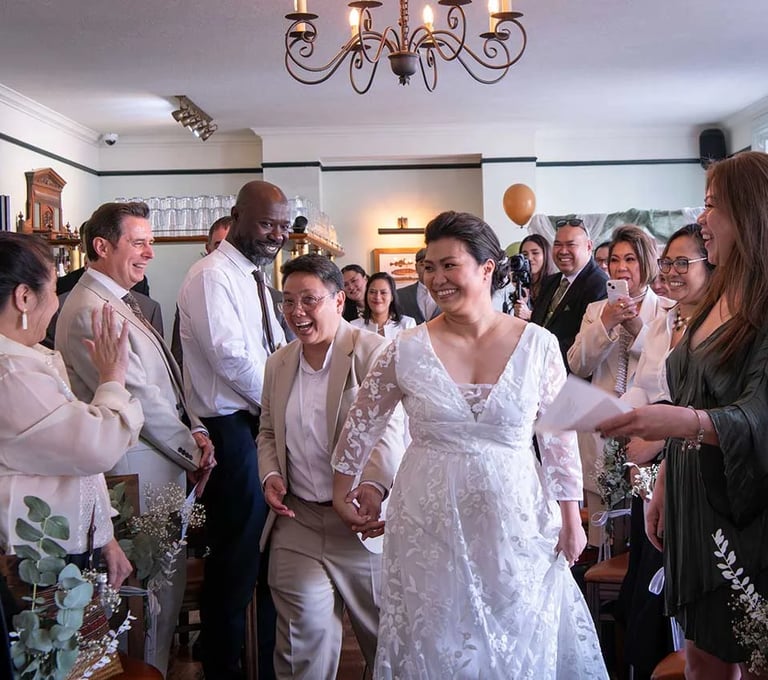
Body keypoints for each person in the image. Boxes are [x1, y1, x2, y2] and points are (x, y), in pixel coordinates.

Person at [332, 211, 607, 678]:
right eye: (429, 267)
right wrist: (343, 490)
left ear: (487, 268)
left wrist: (569, 517)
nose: (436, 279)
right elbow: (362, 423)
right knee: (436, 637)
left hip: (515, 515)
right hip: (427, 518)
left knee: (518, 633)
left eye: (449, 265)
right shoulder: (404, 348)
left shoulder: (538, 344)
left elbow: (559, 436)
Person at [598, 151, 768, 679]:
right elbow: (692, 388)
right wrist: (666, 481)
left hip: (745, 507)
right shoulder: (716, 290)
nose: (700, 217)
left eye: (712, 204)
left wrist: (679, 424)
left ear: (749, 211)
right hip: (692, 498)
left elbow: (759, 415)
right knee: (702, 659)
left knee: (756, 654)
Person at [56, 201, 215, 677]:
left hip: (159, 467)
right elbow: (139, 402)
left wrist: (198, 431)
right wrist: (195, 455)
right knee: (146, 604)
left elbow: (166, 381)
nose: (149, 254)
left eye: (151, 242)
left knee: (160, 600)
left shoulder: (119, 299)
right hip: (137, 476)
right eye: (139, 242)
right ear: (101, 246)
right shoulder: (90, 310)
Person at [257, 254, 404, 679]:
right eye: (287, 302)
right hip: (299, 522)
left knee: (387, 643)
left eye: (309, 300)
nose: (296, 312)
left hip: (362, 524)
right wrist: (270, 475)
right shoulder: (279, 363)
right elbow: (267, 431)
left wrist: (373, 486)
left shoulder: (372, 352)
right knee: (302, 646)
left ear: (339, 301)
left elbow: (390, 430)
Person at [177, 180, 289, 680]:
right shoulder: (210, 275)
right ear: (237, 216)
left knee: (263, 554)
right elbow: (232, 360)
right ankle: (221, 665)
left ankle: (259, 658)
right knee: (237, 557)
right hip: (230, 427)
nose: (276, 235)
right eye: (267, 224)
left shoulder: (256, 277)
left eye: (284, 227)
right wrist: (281, 401)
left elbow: (273, 348)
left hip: (256, 420)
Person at [0, 232, 142, 588]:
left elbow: (66, 454)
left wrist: (104, 534)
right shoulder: (10, 373)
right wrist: (113, 377)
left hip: (65, 541)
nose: (55, 303)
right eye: (51, 290)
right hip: (35, 557)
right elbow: (96, 446)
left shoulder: (24, 359)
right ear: (24, 297)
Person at [614, 224, 714, 680]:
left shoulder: (721, 325)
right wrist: (630, 438)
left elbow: (706, 407)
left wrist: (660, 437)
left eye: (683, 263)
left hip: (692, 464)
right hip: (648, 473)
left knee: (682, 590)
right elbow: (641, 387)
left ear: (710, 266)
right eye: (667, 262)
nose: (670, 273)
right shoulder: (663, 321)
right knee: (645, 579)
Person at [568, 225, 671, 546]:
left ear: (646, 263)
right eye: (614, 260)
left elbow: (668, 367)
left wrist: (637, 325)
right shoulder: (595, 310)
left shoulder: (668, 309)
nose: (621, 267)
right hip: (602, 426)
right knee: (604, 528)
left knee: (644, 524)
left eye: (631, 259)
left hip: (648, 433)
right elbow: (577, 364)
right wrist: (607, 322)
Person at [530, 217, 608, 368]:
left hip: (570, 377)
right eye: (557, 244)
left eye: (571, 245)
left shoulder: (599, 285)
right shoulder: (550, 282)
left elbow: (585, 342)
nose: (563, 251)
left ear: (589, 246)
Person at [170, 216, 232, 368]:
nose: (224, 253)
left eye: (230, 246)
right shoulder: (193, 293)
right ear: (208, 248)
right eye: (219, 246)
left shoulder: (264, 292)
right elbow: (179, 356)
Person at [351, 272, 416, 338]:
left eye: (383, 292)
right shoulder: (354, 326)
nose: (377, 297)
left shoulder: (407, 324)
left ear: (392, 297)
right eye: (372, 292)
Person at [513, 233, 556, 320]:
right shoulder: (519, 284)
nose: (529, 258)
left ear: (546, 255)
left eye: (535, 253)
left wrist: (530, 315)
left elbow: (556, 320)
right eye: (524, 255)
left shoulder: (555, 284)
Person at [397, 248, 441, 324]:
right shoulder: (400, 295)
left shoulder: (448, 292)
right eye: (422, 264)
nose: (426, 269)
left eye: (430, 265)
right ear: (416, 267)